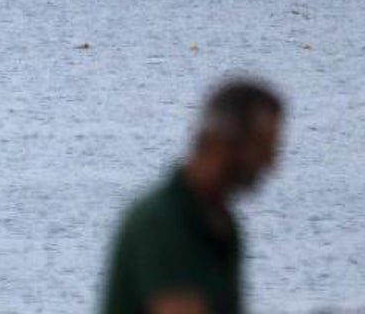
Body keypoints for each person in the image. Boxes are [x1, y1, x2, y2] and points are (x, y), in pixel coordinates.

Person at [101, 79, 284, 314]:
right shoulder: (161, 222)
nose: (271, 162)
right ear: (224, 144)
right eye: (263, 148)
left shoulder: (222, 224)